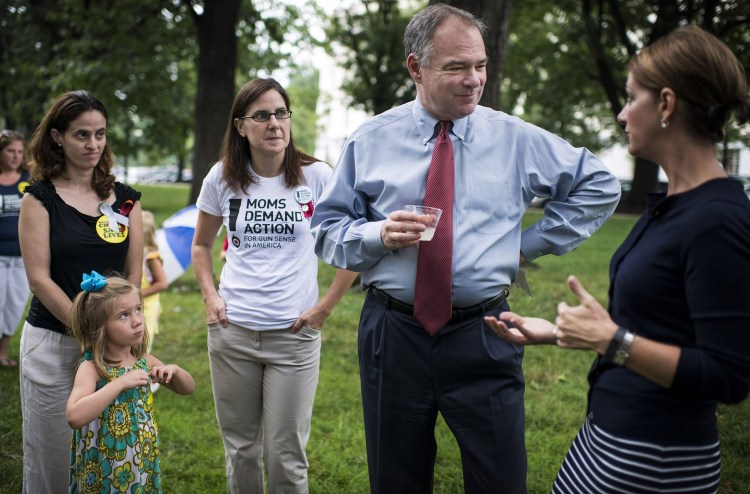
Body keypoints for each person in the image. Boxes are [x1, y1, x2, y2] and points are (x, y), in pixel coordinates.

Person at [309, 4, 621, 493]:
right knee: (396, 479)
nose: (473, 79)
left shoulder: (515, 138)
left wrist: (524, 247)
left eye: (480, 65)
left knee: (500, 479)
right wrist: (377, 235)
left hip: (486, 330)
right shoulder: (369, 140)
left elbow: (599, 185)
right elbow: (325, 229)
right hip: (395, 333)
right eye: (456, 67)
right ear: (416, 67)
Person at [486, 25, 750, 494]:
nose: (622, 113)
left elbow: (728, 376)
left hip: (654, 459)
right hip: (613, 439)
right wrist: (564, 334)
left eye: (631, 98)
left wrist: (612, 340)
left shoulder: (717, 220)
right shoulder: (676, 202)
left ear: (667, 104)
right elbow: (662, 326)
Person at [192, 77, 357, 494]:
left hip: (294, 336)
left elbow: (352, 247)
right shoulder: (222, 178)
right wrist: (211, 297)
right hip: (233, 333)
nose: (274, 123)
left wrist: (324, 309)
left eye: (281, 113)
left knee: (285, 455)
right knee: (242, 450)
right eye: (261, 115)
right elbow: (200, 246)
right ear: (240, 126)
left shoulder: (316, 176)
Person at [18, 90, 143, 494]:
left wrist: (123, 331)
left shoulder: (125, 201)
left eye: (100, 134)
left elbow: (133, 277)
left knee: (106, 457)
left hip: (112, 346)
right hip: (53, 343)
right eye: (81, 135)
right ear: (57, 137)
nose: (93, 145)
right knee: (52, 458)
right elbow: (39, 279)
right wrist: (89, 329)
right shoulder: (39, 200)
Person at [67, 272, 195, 492]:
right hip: (103, 465)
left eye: (138, 310)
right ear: (99, 326)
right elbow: (74, 416)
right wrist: (118, 384)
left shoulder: (143, 361)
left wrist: (174, 371)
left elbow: (187, 389)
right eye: (123, 315)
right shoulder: (92, 368)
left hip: (140, 458)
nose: (137, 321)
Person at [0, 130, 29, 368]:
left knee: (14, 306)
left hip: (22, 258)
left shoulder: (29, 181)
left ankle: (2, 352)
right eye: (11, 150)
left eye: (20, 152)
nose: (15, 156)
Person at [141, 210, 167, 356]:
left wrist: (139, 294)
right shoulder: (131, 251)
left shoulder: (151, 256)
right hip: (134, 304)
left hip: (148, 306)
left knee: (144, 341)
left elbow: (162, 283)